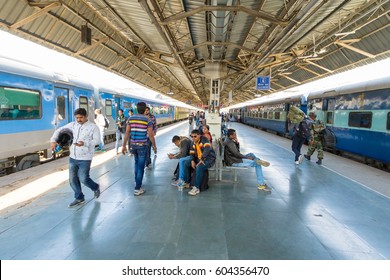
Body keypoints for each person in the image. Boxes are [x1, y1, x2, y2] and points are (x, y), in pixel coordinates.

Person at [50, 108, 101, 207]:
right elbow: (59, 130)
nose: (78, 120)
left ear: (86, 116)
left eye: (81, 117)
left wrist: (85, 143)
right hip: (73, 157)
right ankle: (79, 198)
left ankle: (95, 187)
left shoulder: (93, 127)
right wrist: (53, 140)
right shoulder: (72, 125)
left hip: (85, 157)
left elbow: (97, 140)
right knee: (72, 179)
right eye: (77, 118)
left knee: (83, 178)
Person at [122, 102, 157, 196]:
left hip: (133, 145)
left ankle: (137, 182)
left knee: (136, 163)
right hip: (143, 145)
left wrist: (124, 145)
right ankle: (137, 188)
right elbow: (151, 135)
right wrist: (154, 146)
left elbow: (127, 133)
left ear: (137, 109)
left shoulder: (131, 118)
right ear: (144, 109)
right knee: (141, 166)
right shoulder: (147, 119)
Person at [187, 129, 216, 196]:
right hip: (199, 159)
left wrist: (202, 159)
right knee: (186, 163)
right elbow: (191, 153)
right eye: (192, 136)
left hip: (209, 158)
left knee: (199, 167)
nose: (193, 138)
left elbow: (207, 149)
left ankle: (196, 188)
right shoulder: (192, 143)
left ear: (199, 135)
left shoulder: (204, 140)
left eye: (195, 136)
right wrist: (192, 161)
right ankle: (186, 181)